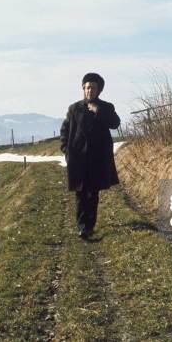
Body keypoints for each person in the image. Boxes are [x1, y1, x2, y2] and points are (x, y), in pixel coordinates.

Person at [60, 73, 121, 239]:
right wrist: (66, 148)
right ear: (83, 89)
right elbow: (65, 129)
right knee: (80, 193)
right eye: (86, 87)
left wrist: (98, 111)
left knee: (92, 193)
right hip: (78, 159)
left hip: (97, 159)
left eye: (92, 87)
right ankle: (81, 226)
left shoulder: (106, 107)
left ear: (98, 90)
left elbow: (115, 124)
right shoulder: (74, 108)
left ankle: (89, 225)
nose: (89, 90)